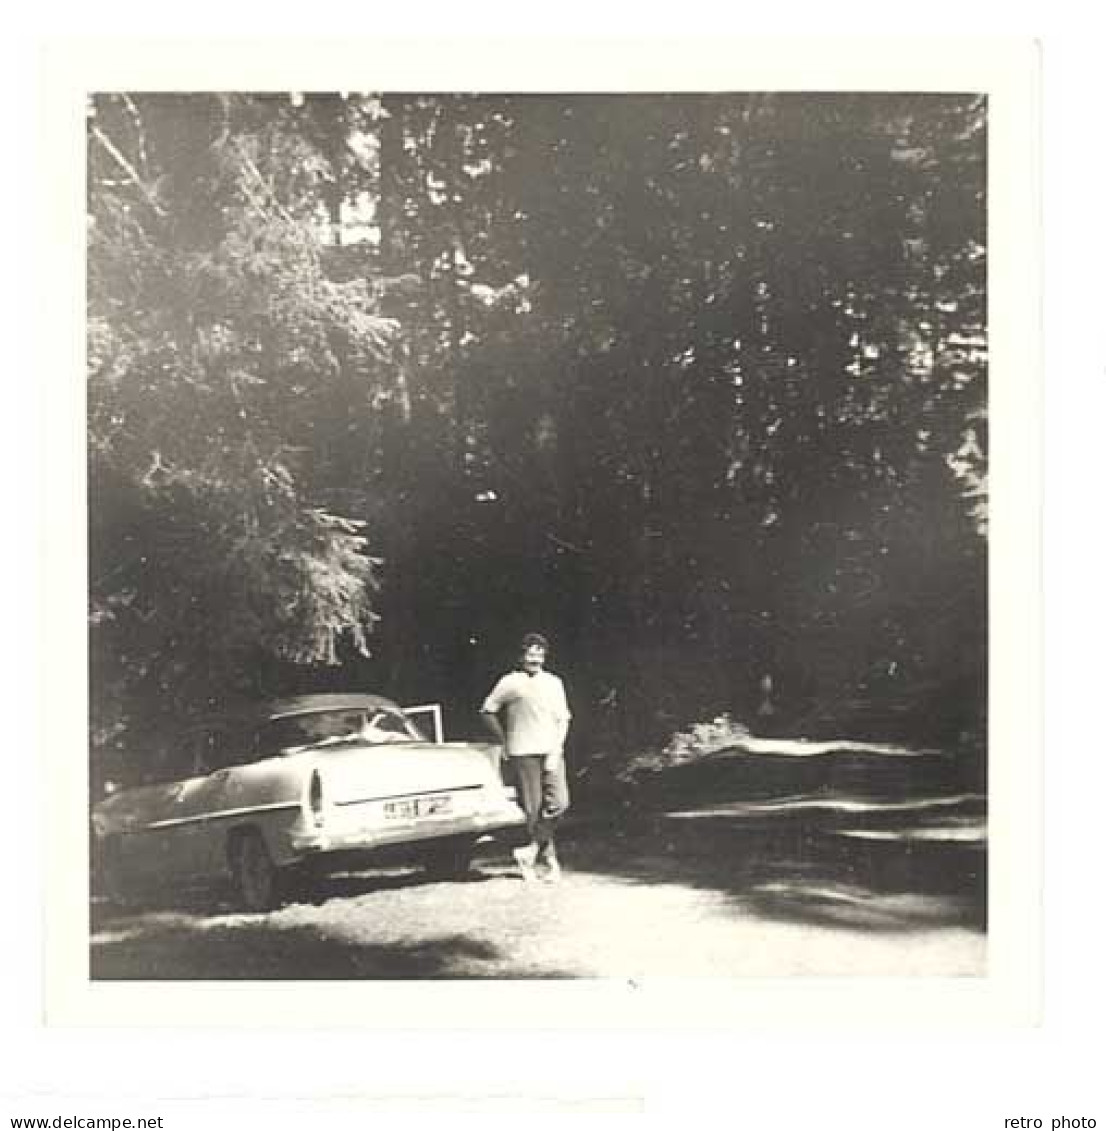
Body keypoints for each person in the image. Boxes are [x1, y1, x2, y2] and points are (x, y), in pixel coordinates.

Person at [480, 632, 572, 882]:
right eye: (530, 654)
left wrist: (556, 749)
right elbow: (487, 710)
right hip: (523, 752)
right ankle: (551, 864)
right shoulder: (510, 682)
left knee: (560, 803)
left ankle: (529, 852)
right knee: (534, 810)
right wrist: (503, 740)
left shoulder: (554, 682)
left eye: (539, 654)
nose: (535, 659)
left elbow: (563, 719)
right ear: (521, 656)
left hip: (551, 751)